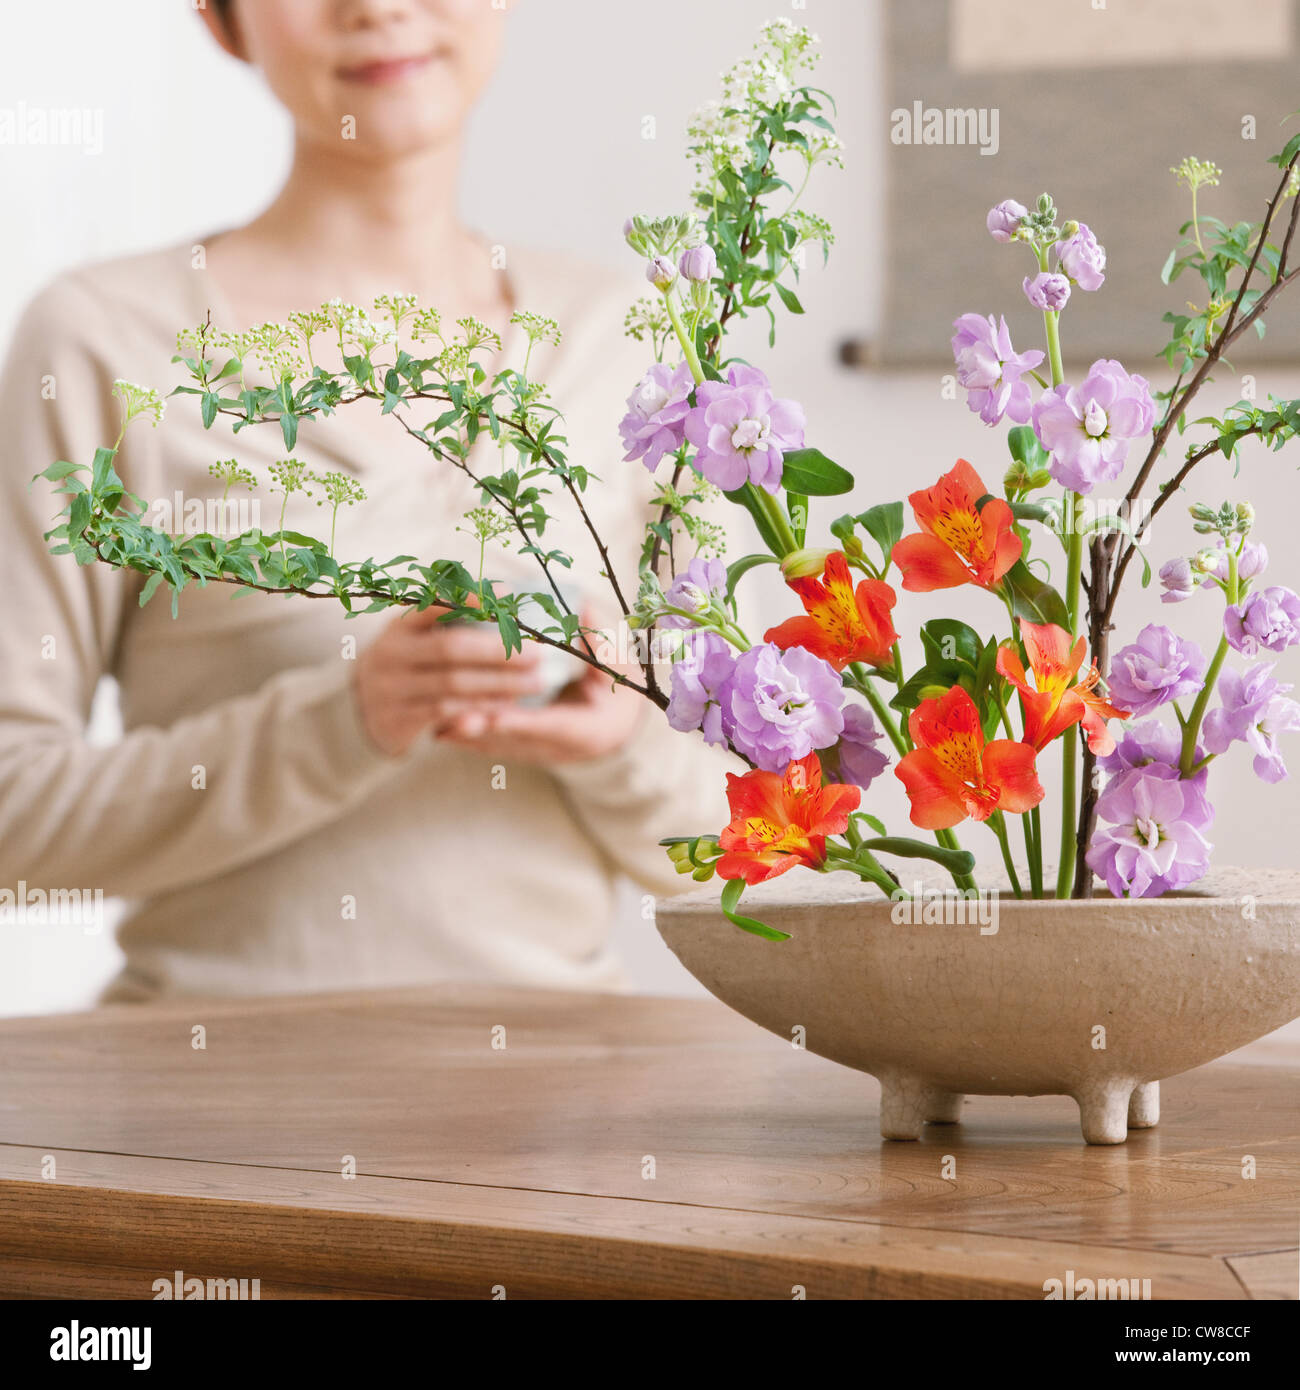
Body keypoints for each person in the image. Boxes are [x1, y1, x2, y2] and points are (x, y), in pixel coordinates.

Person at [0, 0, 735, 1002]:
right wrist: (345, 721)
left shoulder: (634, 348)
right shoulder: (102, 341)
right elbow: (13, 828)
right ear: (220, 21)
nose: (378, 8)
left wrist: (620, 745)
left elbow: (755, 845)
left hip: (570, 1124)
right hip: (198, 1124)